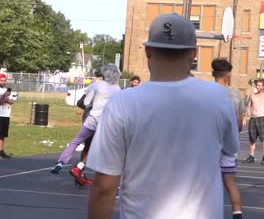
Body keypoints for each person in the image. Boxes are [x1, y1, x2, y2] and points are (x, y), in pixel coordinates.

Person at [86, 13, 239, 219]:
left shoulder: (122, 103)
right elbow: (230, 148)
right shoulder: (218, 97)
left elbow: (104, 186)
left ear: (148, 51)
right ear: (194, 53)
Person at [50, 64, 121, 186]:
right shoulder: (117, 89)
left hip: (91, 119)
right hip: (105, 122)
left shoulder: (96, 85)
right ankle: (79, 168)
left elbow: (84, 102)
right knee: (94, 148)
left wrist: (94, 103)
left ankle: (61, 163)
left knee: (77, 142)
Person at [212, 58, 245, 219]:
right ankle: (237, 212)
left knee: (207, 182)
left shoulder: (206, 91)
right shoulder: (235, 94)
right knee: (230, 182)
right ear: (229, 74)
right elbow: (239, 123)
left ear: (213, 73)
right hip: (229, 142)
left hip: (209, 142)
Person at [242, 79, 264, 165]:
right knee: (252, 139)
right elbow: (249, 107)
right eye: (257, 85)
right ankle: (251, 156)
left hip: (261, 118)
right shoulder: (252, 95)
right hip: (253, 119)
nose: (258, 86)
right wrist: (245, 118)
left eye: (260, 85)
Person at [0, 73, 15, 159]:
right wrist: (5, 97)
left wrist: (7, 99)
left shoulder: (7, 90)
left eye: (5, 81)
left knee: (2, 134)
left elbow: (12, 101)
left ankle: (1, 151)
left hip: (6, 114)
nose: (3, 82)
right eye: (2, 80)